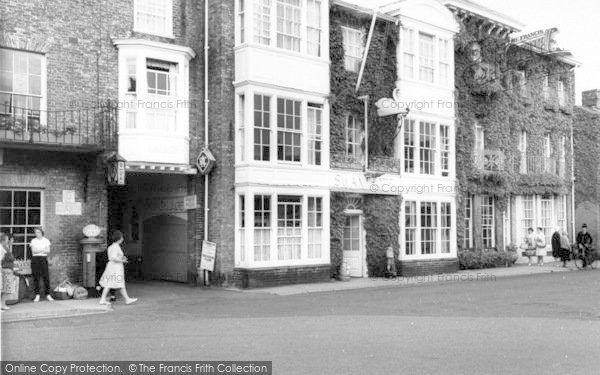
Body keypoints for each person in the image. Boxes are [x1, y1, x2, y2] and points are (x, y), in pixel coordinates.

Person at [98, 231, 137, 305]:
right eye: (122, 237)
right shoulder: (116, 247)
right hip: (116, 268)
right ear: (119, 238)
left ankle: (103, 299)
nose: (122, 239)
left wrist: (122, 257)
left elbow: (112, 257)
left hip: (111, 267)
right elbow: (113, 257)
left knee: (110, 283)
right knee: (119, 283)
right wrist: (122, 260)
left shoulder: (111, 247)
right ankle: (127, 299)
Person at [30, 228, 53, 302]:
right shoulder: (33, 241)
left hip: (43, 259)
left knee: (46, 277)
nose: (37, 233)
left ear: (42, 233)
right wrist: (42, 250)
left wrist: (39, 250)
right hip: (35, 259)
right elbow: (34, 251)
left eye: (38, 232)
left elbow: (48, 251)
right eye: (36, 232)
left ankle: (48, 294)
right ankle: (37, 295)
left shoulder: (46, 240)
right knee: (36, 277)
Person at [1, 233, 18, 311]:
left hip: (8, 270)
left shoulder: (6, 248)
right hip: (5, 271)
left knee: (6, 289)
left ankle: (3, 304)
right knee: (4, 289)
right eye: (7, 239)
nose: (9, 241)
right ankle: (2, 305)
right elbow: (2, 261)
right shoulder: (3, 248)